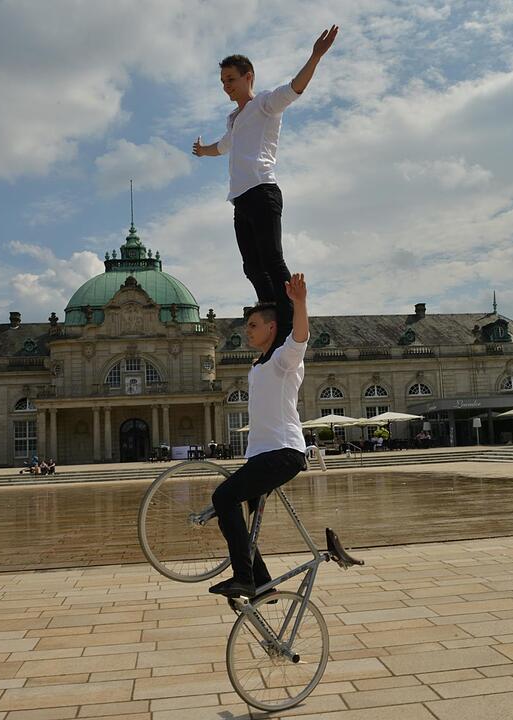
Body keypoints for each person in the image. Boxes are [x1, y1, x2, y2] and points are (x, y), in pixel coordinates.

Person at [192, 26, 337, 343]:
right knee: (252, 266)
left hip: (262, 190)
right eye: (222, 82)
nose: (226, 86)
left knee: (272, 259)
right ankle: (272, 316)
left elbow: (295, 88)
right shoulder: (234, 119)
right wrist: (203, 151)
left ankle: (290, 320)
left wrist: (315, 56)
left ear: (249, 77)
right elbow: (224, 146)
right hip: (240, 199)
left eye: (231, 79)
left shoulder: (265, 104)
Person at [209, 273, 311, 599]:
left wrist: (299, 303)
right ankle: (262, 582)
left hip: (283, 452)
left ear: (271, 328)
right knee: (244, 518)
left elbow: (299, 337)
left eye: (253, 325)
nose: (247, 331)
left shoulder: (283, 360)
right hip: (262, 455)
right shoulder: (257, 366)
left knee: (223, 498)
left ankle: (243, 577)